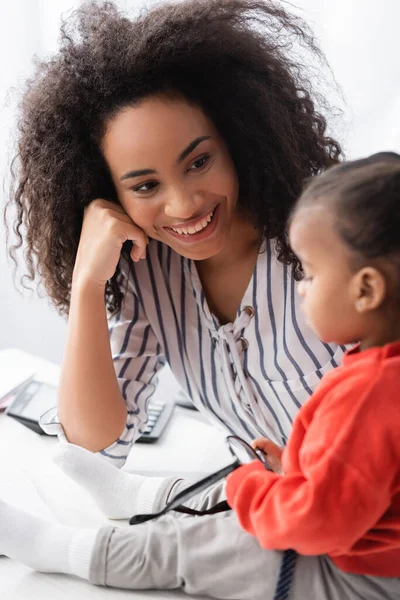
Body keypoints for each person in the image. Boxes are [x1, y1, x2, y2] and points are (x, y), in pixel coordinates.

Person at [1, 152, 399, 599]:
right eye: (146, 185)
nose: (301, 285)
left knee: (211, 544)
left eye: (309, 274)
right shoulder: (379, 367)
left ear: (366, 289)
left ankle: (62, 548)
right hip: (350, 529)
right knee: (232, 488)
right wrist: (295, 468)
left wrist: (252, 487)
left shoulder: (372, 391)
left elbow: (319, 523)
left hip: (363, 575)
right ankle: (140, 498)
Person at [5, 0, 346, 505]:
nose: (184, 205)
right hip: (281, 516)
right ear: (108, 195)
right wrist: (86, 285)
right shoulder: (150, 272)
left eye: (199, 161)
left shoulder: (333, 238)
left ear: (238, 137)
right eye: (144, 186)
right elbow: (96, 453)